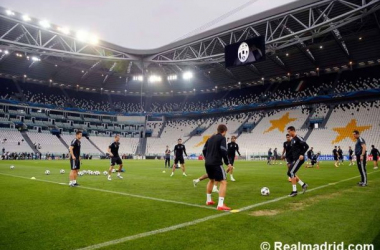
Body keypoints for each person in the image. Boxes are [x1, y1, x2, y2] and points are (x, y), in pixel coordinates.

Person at [202, 124, 233, 211]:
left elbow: (203, 150)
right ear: (224, 131)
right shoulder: (222, 138)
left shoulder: (210, 138)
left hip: (207, 162)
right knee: (223, 182)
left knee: (211, 179)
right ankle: (220, 204)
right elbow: (223, 150)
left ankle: (208, 200)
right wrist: (228, 163)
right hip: (216, 163)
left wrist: (208, 158)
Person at [287, 126, 309, 197]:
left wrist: (302, 154)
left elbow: (306, 146)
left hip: (299, 159)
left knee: (292, 172)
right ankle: (303, 184)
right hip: (295, 159)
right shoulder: (292, 140)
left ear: (293, 130)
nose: (288, 133)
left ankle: (294, 191)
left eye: (289, 131)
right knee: (289, 173)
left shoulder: (298, 138)